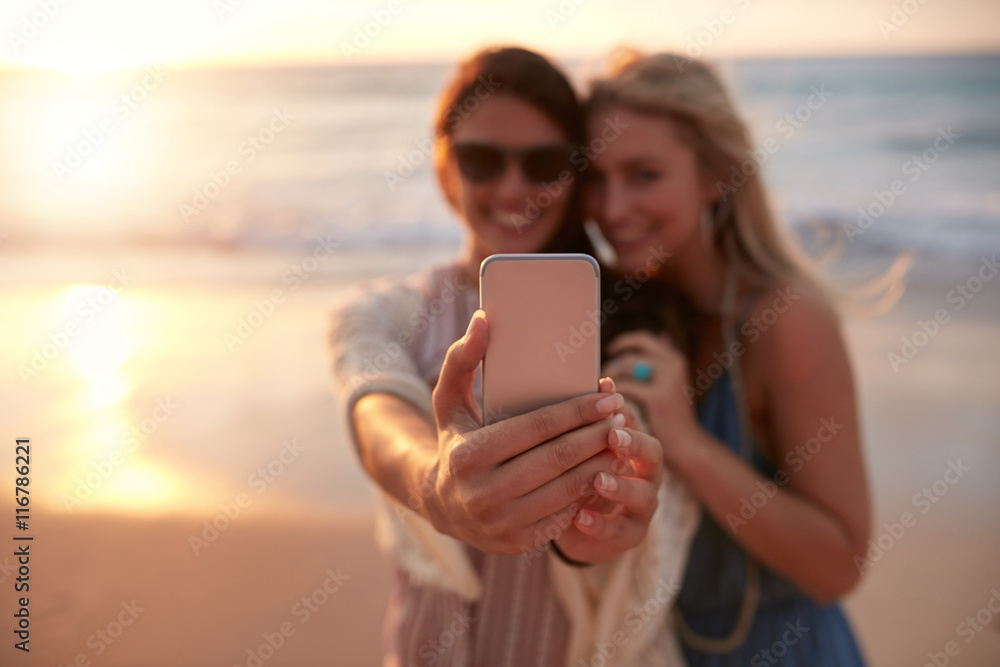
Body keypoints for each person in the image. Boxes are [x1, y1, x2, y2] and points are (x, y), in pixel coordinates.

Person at [329, 47, 696, 666]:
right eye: (480, 160)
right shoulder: (383, 313)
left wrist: (600, 527)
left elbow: (612, 527)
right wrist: (435, 483)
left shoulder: (638, 317)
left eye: (545, 163)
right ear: (443, 166)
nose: (512, 188)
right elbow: (377, 414)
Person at [585, 50, 871, 665]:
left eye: (643, 174)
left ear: (714, 173)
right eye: (595, 177)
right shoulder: (632, 313)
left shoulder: (789, 323)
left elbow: (839, 566)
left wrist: (686, 443)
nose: (611, 209)